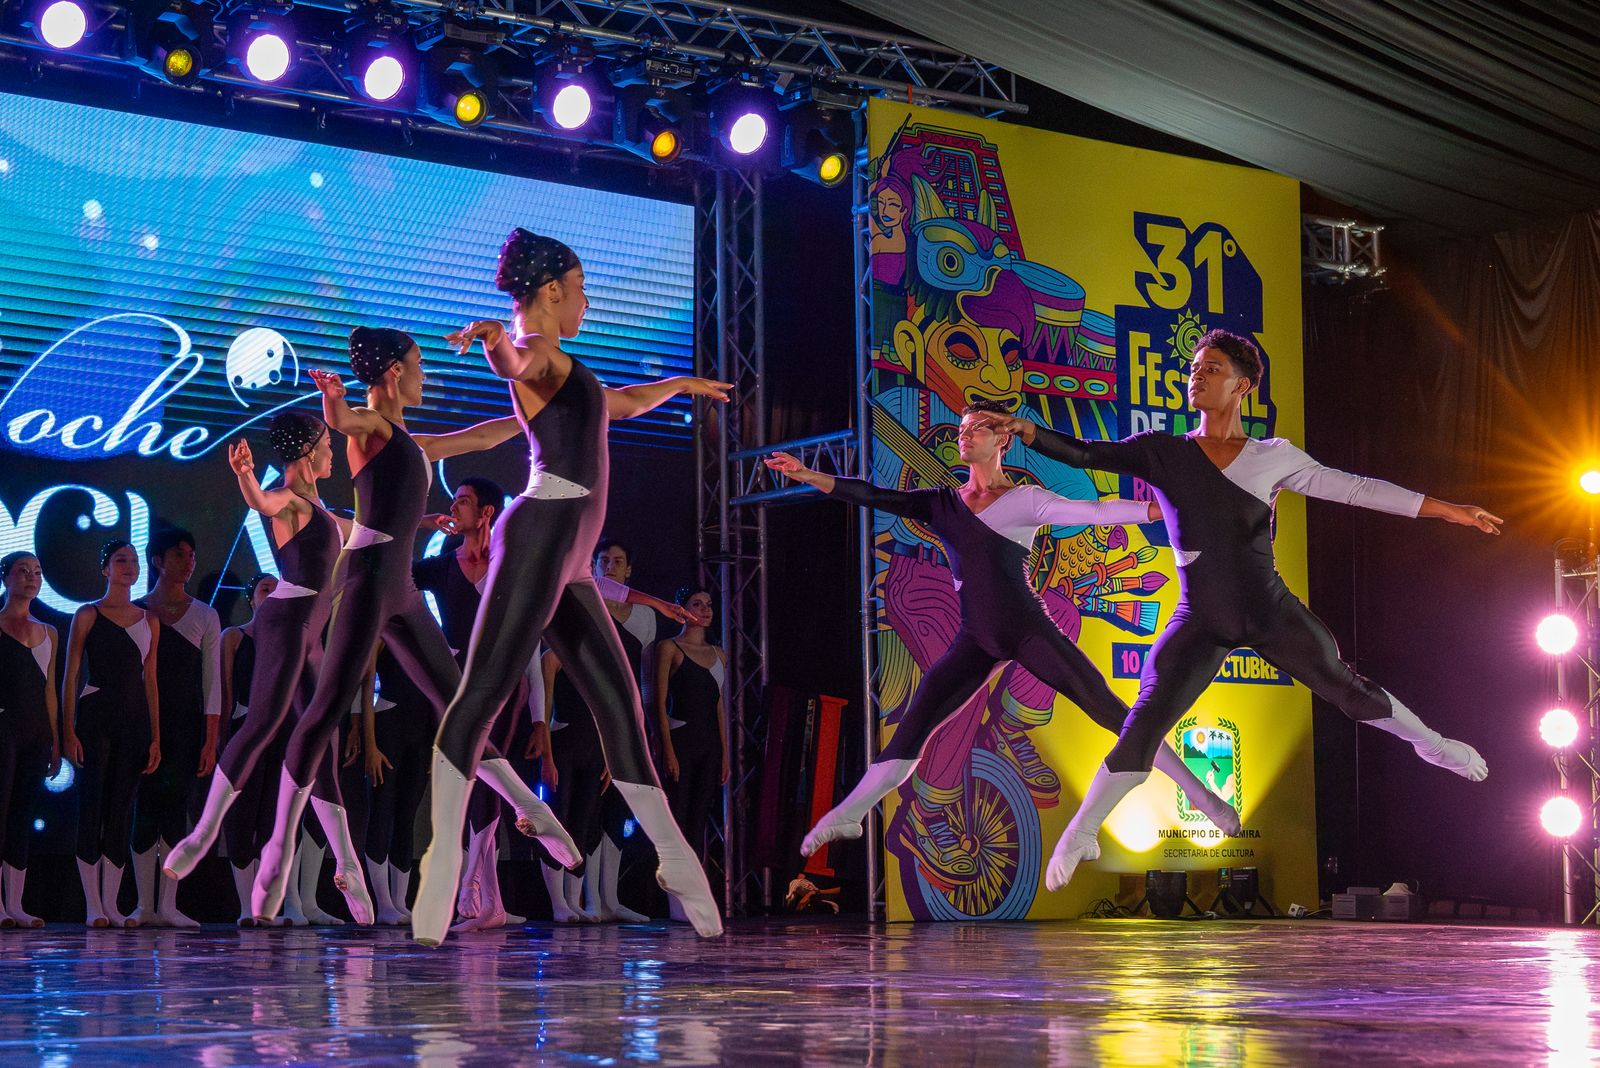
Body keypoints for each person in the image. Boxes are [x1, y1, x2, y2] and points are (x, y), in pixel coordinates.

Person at [969, 329, 1496, 891]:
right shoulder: (1164, 451)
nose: (1196, 376)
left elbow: (1355, 489)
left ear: (1242, 386)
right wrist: (1026, 430)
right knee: (1144, 723)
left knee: (1349, 689)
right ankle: (1082, 831)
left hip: (1270, 611)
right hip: (1201, 619)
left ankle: (1433, 745)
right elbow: (1086, 453)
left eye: (1212, 368)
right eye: (1194, 369)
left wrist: (1446, 509)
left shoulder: (1274, 457)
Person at [413, 227, 732, 945]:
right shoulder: (538, 350)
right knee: (481, 697)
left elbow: (622, 403)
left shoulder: (572, 372)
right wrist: (496, 341)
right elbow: (517, 361)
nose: (587, 303)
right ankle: (441, 860)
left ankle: (675, 857)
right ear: (552, 290)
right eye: (582, 289)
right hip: (539, 537)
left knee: (621, 708)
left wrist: (680, 385)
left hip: (572, 559)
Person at [765, 401, 1243, 863]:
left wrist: (1161, 511)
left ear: (1002, 441)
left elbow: (1095, 513)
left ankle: (1200, 795)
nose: (964, 435)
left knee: (1113, 711)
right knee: (914, 728)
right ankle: (849, 815)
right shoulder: (942, 504)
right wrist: (810, 476)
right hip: (976, 639)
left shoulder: (1024, 500)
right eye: (961, 429)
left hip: (1028, 631)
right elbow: (874, 495)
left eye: (977, 427)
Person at [253, 327, 576, 924]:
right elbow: (344, 420)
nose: (426, 373)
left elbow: (482, 435)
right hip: (368, 583)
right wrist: (330, 398)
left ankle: (531, 809)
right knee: (322, 715)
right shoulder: (372, 425)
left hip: (399, 587)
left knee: (459, 707)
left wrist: (539, 413)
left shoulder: (413, 441)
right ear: (396, 371)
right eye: (420, 363)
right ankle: (297, 856)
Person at [163, 414, 354, 926]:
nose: (333, 452)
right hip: (287, 620)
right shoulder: (290, 499)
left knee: (322, 739)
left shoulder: (324, 511)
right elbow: (261, 502)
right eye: (327, 444)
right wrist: (246, 475)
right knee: (263, 723)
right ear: (307, 451)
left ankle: (347, 863)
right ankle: (202, 833)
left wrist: (423, 524)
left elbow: (368, 535)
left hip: (311, 632)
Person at [60, 541, 160, 928]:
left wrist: (155, 736)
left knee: (121, 810)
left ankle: (112, 905)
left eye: (134, 560)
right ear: (105, 568)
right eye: (121, 560)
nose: (129, 566)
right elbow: (71, 674)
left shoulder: (149, 620)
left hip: (134, 722)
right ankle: (93, 906)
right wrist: (68, 730)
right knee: (93, 806)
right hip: (95, 717)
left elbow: (150, 680)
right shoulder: (88, 614)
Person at [130, 527, 221, 928]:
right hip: (141, 724)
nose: (189, 562)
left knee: (174, 808)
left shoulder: (205, 614)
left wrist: (210, 739)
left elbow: (212, 684)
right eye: (180, 555)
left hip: (185, 726)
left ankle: (168, 905)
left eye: (192, 555)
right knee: (143, 807)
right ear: (158, 560)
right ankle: (143, 905)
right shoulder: (135, 611)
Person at [0, 552, 61, 928]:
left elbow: (50, 689)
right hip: (4, 728)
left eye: (36, 572)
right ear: (6, 578)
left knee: (22, 814)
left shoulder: (49, 631)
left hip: (36, 732)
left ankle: (16, 904)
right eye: (22, 571)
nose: (30, 577)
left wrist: (55, 739)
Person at [217, 573, 278, 925]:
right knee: (242, 818)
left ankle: (264, 906)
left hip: (280, 737)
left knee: (270, 821)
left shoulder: (290, 641)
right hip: (243, 730)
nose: (272, 595)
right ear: (251, 598)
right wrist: (222, 741)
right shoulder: (234, 636)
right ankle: (246, 906)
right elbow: (224, 694)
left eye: (277, 590)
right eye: (265, 589)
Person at [654, 588, 727, 872]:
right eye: (697, 604)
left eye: (709, 604)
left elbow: (719, 706)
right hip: (681, 742)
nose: (705, 609)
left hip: (709, 745)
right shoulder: (669, 648)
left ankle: (693, 884)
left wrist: (725, 755)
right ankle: (671, 884)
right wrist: (668, 750)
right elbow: (659, 704)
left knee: (699, 820)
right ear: (683, 609)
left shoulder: (719, 654)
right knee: (678, 815)